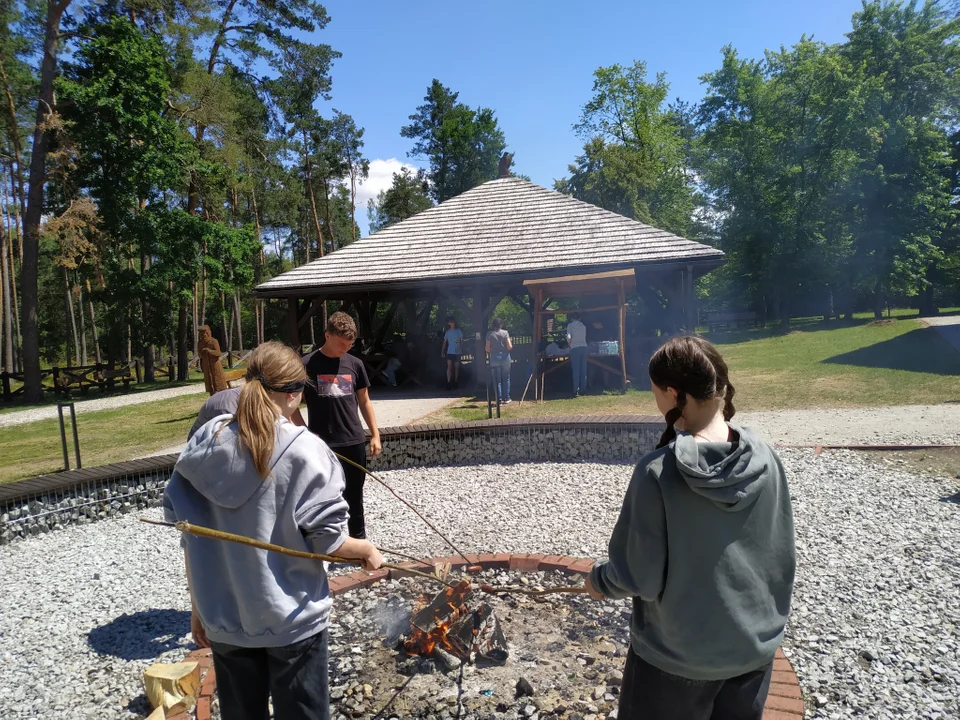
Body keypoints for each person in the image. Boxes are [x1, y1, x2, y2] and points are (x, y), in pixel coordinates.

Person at [163, 342, 383, 720]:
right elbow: (328, 541)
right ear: (295, 394)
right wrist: (364, 550)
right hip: (291, 623)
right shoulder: (306, 451)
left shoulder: (205, 442)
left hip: (225, 620)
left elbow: (190, 534)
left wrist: (198, 606)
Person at [585, 335, 795, 720]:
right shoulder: (766, 459)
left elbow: (638, 577)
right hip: (752, 654)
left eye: (655, 393)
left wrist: (599, 580)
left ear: (671, 392)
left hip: (675, 663)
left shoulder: (657, 473)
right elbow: (780, 555)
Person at [296, 312, 382, 540]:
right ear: (327, 335)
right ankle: (324, 542)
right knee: (322, 497)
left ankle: (358, 541)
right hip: (321, 444)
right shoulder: (306, 365)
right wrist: (304, 433)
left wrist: (375, 434)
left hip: (353, 439)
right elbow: (291, 404)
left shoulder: (355, 364)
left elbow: (365, 401)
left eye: (350, 344)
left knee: (355, 495)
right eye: (342, 343)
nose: (346, 348)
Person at [485, 317, 513, 404]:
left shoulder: (489, 334)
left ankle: (499, 399)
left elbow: (487, 349)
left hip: (494, 357)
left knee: (497, 379)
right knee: (506, 377)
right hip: (505, 356)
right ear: (501, 324)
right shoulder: (505, 333)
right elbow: (509, 346)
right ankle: (507, 398)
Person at [198, 326, 227, 396]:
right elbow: (200, 355)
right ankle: (212, 397)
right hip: (206, 366)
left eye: (204, 334)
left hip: (215, 365)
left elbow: (218, 353)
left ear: (208, 333)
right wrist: (202, 352)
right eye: (201, 334)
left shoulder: (213, 341)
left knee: (219, 384)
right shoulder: (200, 343)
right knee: (210, 384)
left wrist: (209, 351)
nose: (202, 336)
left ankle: (221, 396)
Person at [566, 313, 588, 398]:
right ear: (580, 318)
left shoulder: (570, 325)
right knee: (583, 369)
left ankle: (576, 390)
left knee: (576, 370)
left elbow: (568, 336)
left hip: (575, 347)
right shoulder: (583, 326)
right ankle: (583, 389)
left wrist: (569, 343)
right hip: (584, 347)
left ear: (572, 318)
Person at [440, 317, 464, 390]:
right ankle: (449, 382)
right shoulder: (447, 332)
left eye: (452, 321)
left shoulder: (458, 331)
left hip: (457, 351)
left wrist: (460, 346)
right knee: (449, 367)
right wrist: (442, 351)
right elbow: (445, 342)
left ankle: (456, 381)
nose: (451, 323)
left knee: (456, 367)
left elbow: (461, 340)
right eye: (450, 322)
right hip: (450, 351)